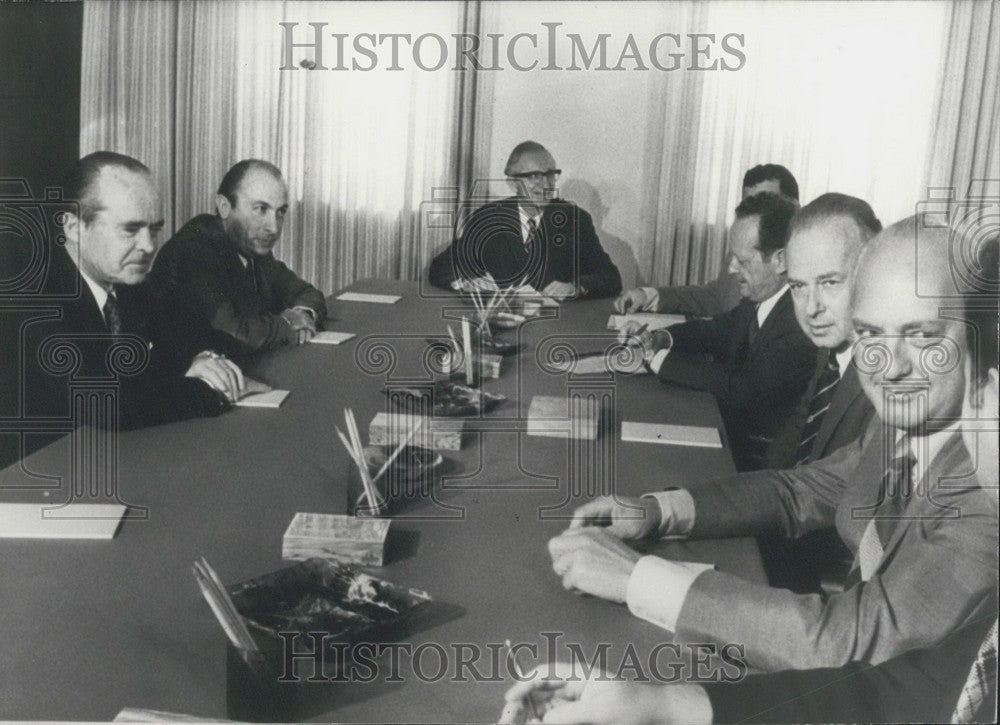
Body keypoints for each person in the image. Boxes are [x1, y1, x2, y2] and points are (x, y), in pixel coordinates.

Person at [502, 237, 999, 725]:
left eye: (922, 336)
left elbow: (851, 643)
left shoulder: (985, 484)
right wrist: (658, 509)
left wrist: (637, 578)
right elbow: (799, 490)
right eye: (870, 334)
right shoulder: (900, 423)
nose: (890, 367)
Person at [18, 152, 244, 459]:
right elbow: (104, 406)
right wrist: (206, 386)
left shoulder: (132, 286)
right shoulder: (34, 300)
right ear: (73, 227)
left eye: (154, 229)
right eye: (130, 230)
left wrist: (203, 356)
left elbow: (201, 336)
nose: (149, 246)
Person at [625, 192, 815, 471]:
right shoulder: (764, 299)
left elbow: (744, 388)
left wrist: (655, 358)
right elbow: (717, 331)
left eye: (743, 261)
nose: (731, 268)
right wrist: (660, 337)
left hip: (754, 460)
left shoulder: (800, 320)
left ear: (780, 260)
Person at [758, 193, 881, 593]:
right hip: (789, 528)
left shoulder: (888, 378)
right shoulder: (832, 347)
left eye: (830, 283)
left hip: (824, 573)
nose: (811, 307)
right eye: (797, 286)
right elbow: (793, 442)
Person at [149, 159, 326, 353]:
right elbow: (233, 333)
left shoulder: (250, 244)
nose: (273, 228)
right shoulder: (195, 248)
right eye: (260, 209)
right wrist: (289, 322)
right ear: (224, 206)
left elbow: (306, 293)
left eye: (280, 212)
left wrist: (302, 313)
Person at [427, 141, 622, 300]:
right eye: (534, 177)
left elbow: (611, 278)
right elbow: (441, 268)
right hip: (502, 328)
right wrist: (468, 283)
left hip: (554, 330)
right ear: (512, 184)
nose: (545, 185)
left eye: (550, 175)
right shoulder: (488, 219)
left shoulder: (576, 220)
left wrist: (576, 287)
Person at [614, 164, 799, 317]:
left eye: (766, 205)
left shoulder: (807, 276)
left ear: (796, 207)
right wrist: (648, 296)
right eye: (748, 205)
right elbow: (717, 297)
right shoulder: (742, 252)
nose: (752, 216)